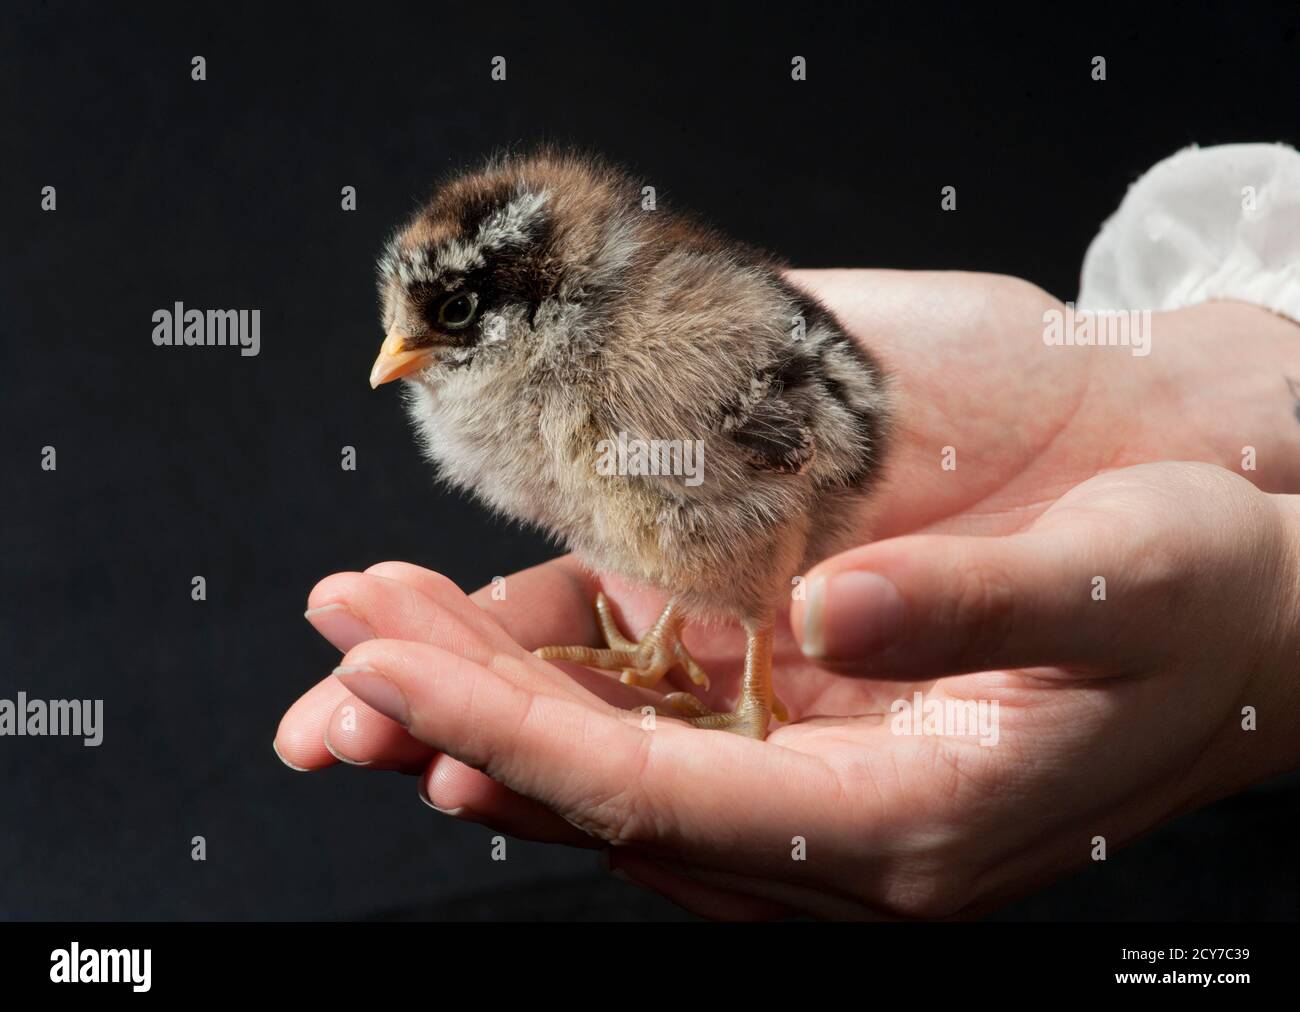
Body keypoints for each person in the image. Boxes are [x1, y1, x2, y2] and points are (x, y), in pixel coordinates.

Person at [275, 144, 1300, 919]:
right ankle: (662, 639)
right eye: (403, 318)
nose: (398, 350)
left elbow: (794, 458)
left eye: (447, 314)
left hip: (777, 467)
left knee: (702, 517)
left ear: (537, 296)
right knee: (648, 515)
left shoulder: (643, 353)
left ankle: (750, 681)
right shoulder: (540, 367)